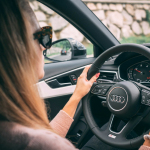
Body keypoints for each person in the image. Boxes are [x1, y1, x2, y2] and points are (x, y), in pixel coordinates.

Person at [0, 0, 149, 150]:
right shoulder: (39, 143)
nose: (45, 46)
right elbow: (47, 141)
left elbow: (48, 135)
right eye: (44, 36)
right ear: (20, 47)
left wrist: (77, 95)